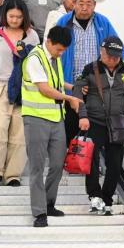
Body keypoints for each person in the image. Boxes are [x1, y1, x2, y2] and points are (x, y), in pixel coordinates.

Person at [74, 37, 124, 215]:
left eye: (116, 56)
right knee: (91, 160)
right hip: (94, 121)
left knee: (115, 164)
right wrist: (83, 115)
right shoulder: (90, 69)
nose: (113, 59)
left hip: (117, 124)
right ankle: (94, 196)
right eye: (110, 56)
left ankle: (107, 198)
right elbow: (77, 92)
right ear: (102, 52)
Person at [21, 26, 81, 227]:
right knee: (37, 167)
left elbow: (56, 83)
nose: (61, 53)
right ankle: (39, 213)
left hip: (56, 118)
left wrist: (74, 88)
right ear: (48, 42)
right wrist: (69, 98)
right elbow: (45, 89)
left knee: (57, 163)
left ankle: (49, 203)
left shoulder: (54, 59)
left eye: (63, 50)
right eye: (59, 49)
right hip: (36, 118)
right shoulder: (35, 58)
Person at [56, 0, 124, 144]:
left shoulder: (103, 23)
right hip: (71, 87)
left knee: (95, 135)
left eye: (89, 4)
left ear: (94, 5)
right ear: (74, 3)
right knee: (70, 132)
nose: (84, 7)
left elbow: (119, 50)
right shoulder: (63, 22)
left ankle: (95, 159)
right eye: (81, 3)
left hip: (97, 88)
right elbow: (53, 51)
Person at [0, 0, 39, 185]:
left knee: (20, 134)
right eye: (11, 16)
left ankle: (13, 174)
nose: (14, 20)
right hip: (0, 85)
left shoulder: (32, 36)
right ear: (5, 15)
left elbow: (37, 64)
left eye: (19, 17)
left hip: (24, 88)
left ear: (25, 17)